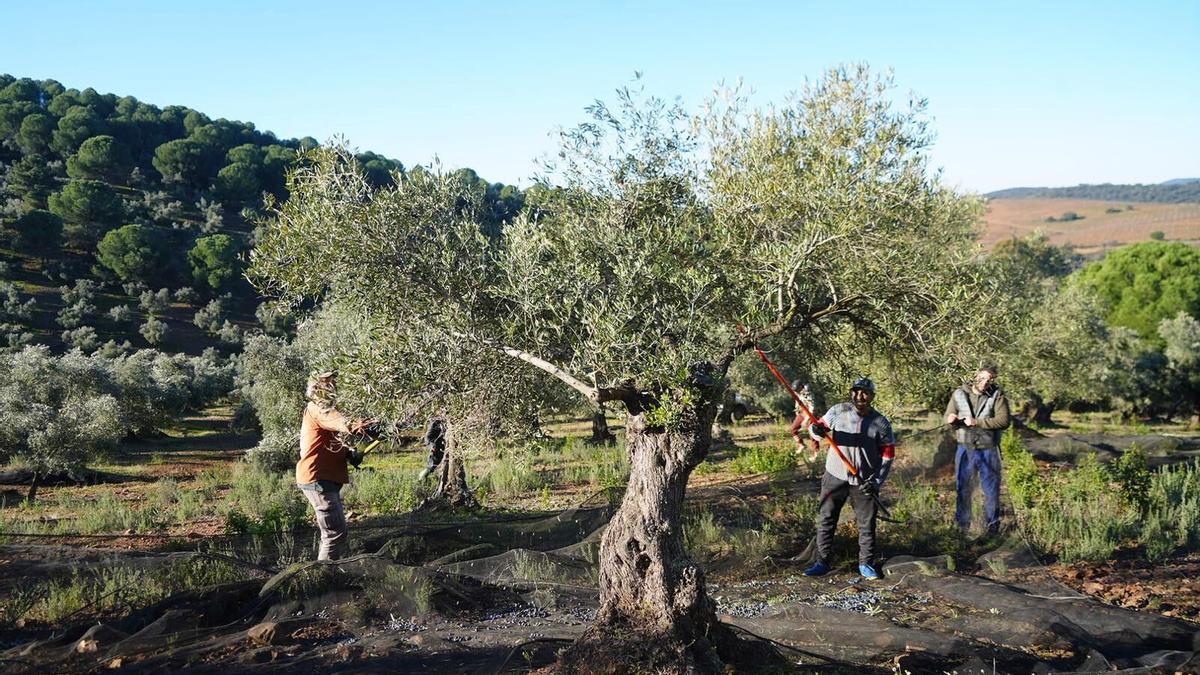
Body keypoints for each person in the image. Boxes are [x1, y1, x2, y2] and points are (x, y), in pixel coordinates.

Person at [803, 376, 896, 580]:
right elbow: (817, 430)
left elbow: (888, 455)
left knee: (866, 524)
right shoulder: (838, 411)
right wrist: (815, 430)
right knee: (826, 518)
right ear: (851, 393)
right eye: (856, 391)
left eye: (864, 392)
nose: (859, 395)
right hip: (834, 475)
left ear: (871, 396)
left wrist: (876, 481)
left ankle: (866, 564)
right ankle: (822, 562)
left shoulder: (880, 423)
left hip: (864, 482)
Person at [296, 371, 371, 561]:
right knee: (334, 533)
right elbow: (342, 423)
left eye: (332, 382)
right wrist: (367, 425)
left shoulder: (321, 409)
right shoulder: (318, 408)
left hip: (322, 477)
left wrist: (349, 454)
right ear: (317, 388)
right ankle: (324, 578)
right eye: (327, 383)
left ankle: (328, 571)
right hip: (318, 478)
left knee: (332, 533)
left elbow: (329, 440)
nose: (332, 385)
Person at [944, 365, 1011, 536]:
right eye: (983, 378)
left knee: (991, 490)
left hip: (988, 449)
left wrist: (978, 422)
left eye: (990, 380)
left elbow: (1003, 421)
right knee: (963, 488)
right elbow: (948, 416)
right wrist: (951, 419)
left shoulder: (998, 395)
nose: (985, 382)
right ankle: (962, 527)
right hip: (964, 449)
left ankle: (992, 528)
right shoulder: (959, 393)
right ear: (975, 376)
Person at [417, 417, 447, 482]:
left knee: (438, 461)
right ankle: (421, 478)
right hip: (434, 443)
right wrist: (433, 447)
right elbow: (429, 437)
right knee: (432, 464)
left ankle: (433, 478)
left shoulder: (437, 422)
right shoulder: (435, 422)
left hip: (437, 443)